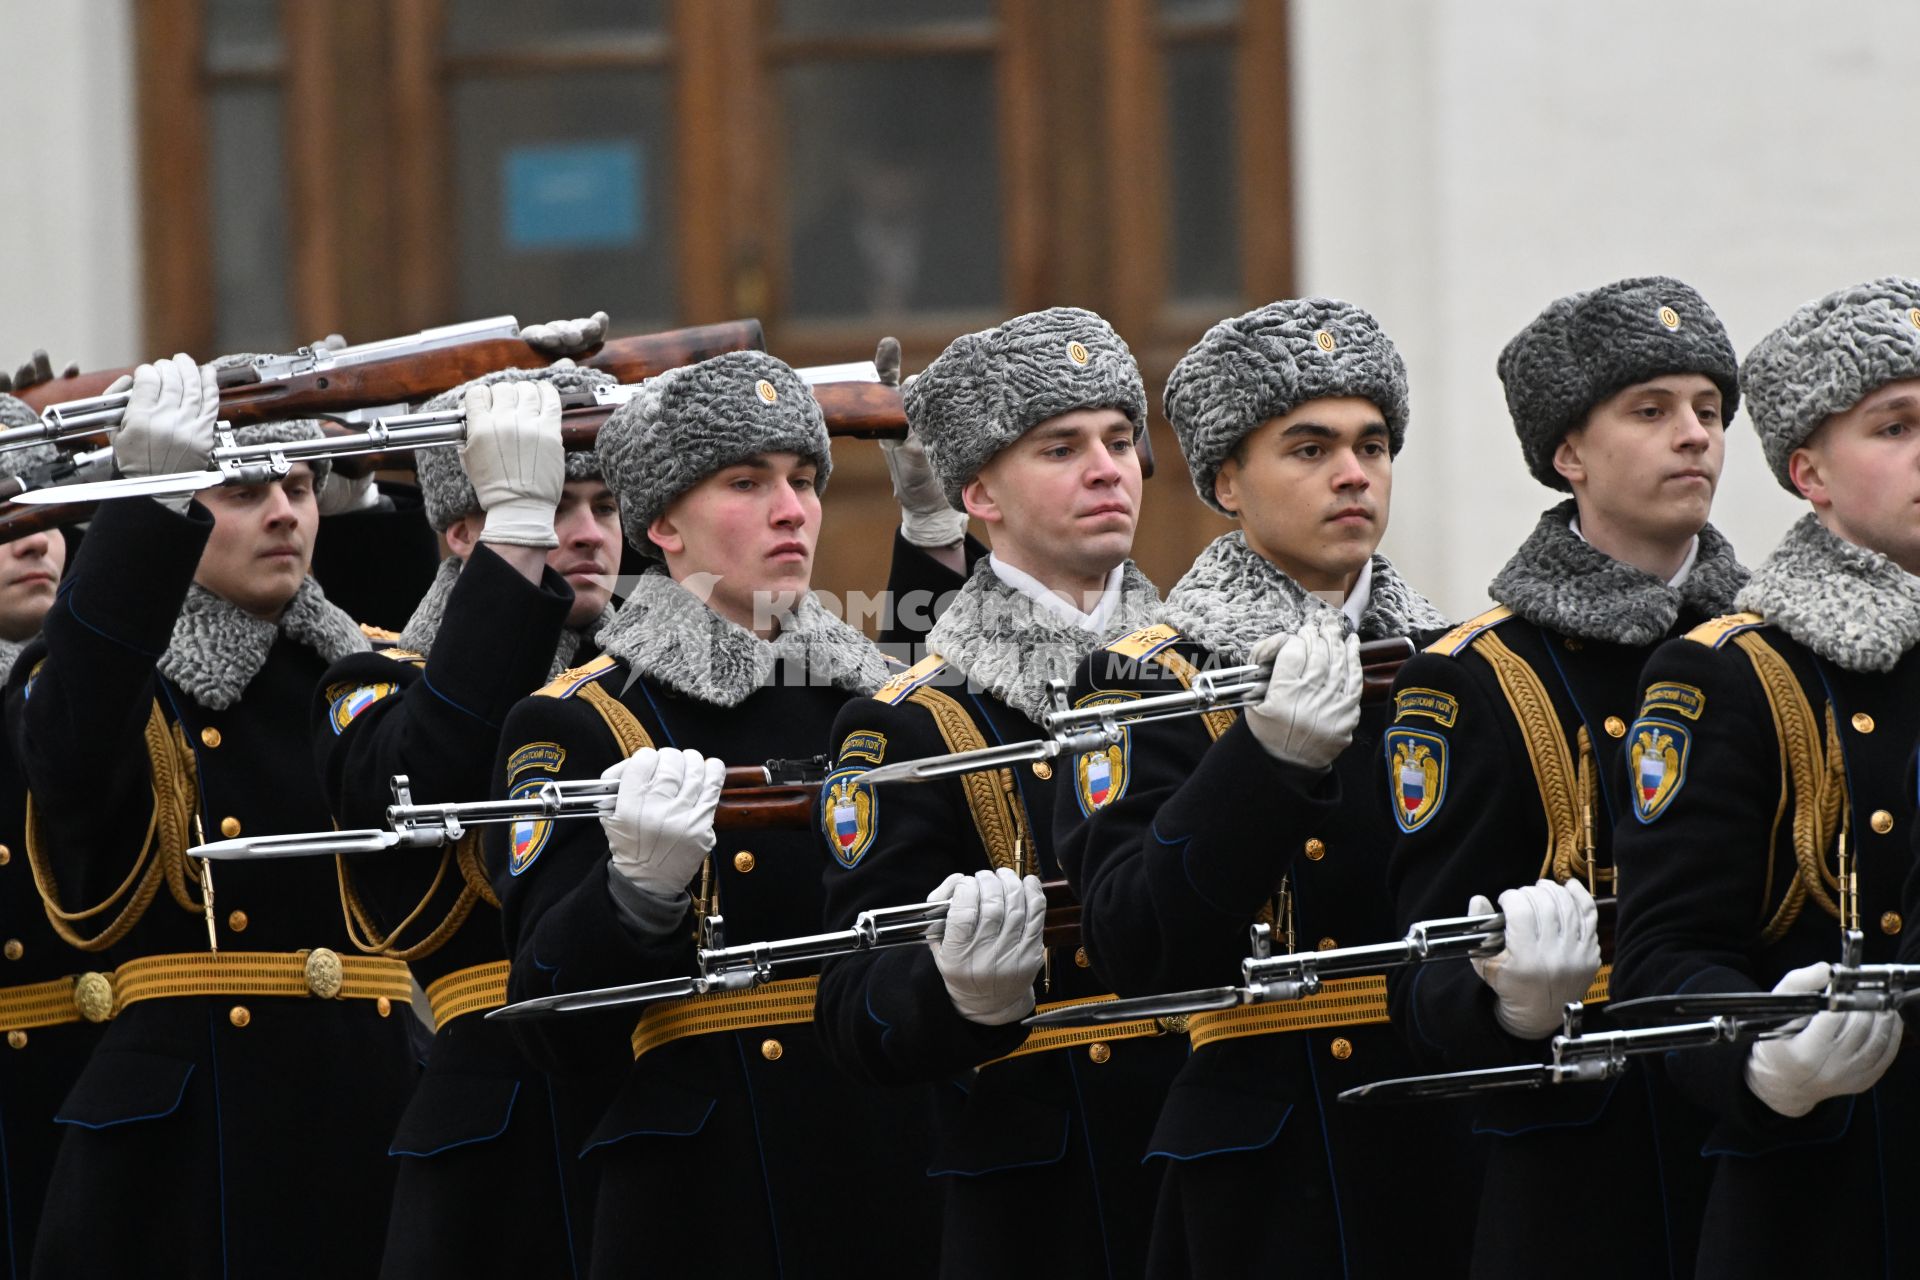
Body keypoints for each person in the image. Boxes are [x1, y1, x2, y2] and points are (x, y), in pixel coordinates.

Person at [487, 350, 939, 1276]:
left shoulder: (884, 705)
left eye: (805, 481)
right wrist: (631, 898)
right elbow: (546, 1016)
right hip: (709, 1193)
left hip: (897, 1163)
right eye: (746, 482)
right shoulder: (583, 718)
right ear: (662, 525)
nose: (793, 510)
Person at [1054, 298, 1471, 1276]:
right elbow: (1135, 941)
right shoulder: (1145, 676)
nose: (1354, 473)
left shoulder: (1461, 666)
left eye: (1374, 445)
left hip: (1451, 1145)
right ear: (1226, 480)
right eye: (1309, 447)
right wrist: (1266, 763)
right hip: (1269, 1176)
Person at [7, 355, 416, 1277]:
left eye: (300, 486)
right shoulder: (121, 680)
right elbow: (69, 743)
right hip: (190, 1139)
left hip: (368, 1106)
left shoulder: (367, 674)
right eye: (239, 488)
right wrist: (147, 504)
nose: (282, 510)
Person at [1383, 277, 1742, 1277]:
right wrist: (1510, 999)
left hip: (1768, 1154)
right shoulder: (1474, 677)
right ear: (1568, 453)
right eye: (1651, 409)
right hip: (1582, 1182)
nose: (1694, 436)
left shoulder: (1774, 655)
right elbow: (1420, 978)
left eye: (1709, 411)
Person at [815, 308, 1177, 1277]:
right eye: (1060, 447)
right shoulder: (910, 722)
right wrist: (958, 993)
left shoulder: (1211, 676)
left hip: (1219, 1165)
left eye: (1118, 440)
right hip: (1047, 1199)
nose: (1108, 468)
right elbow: (856, 1009)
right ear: (979, 492)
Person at [1615, 277, 1920, 1277]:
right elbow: (1665, 953)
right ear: (1809, 470)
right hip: (1840, 1195)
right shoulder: (1734, 673)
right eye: (1897, 423)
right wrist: (1764, 1060)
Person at [312, 364, 624, 1278]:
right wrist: (515, 555)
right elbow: (425, 775)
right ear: (462, 535)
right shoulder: (374, 682)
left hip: (656, 1096)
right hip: (500, 1125)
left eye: (606, 506)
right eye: (553, 504)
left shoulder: (650, 682)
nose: (588, 534)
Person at [0, 394, 92, 1279]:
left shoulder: (117, 688)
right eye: (7, 518)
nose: (38, 540)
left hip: (107, 1086)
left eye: (51, 513)